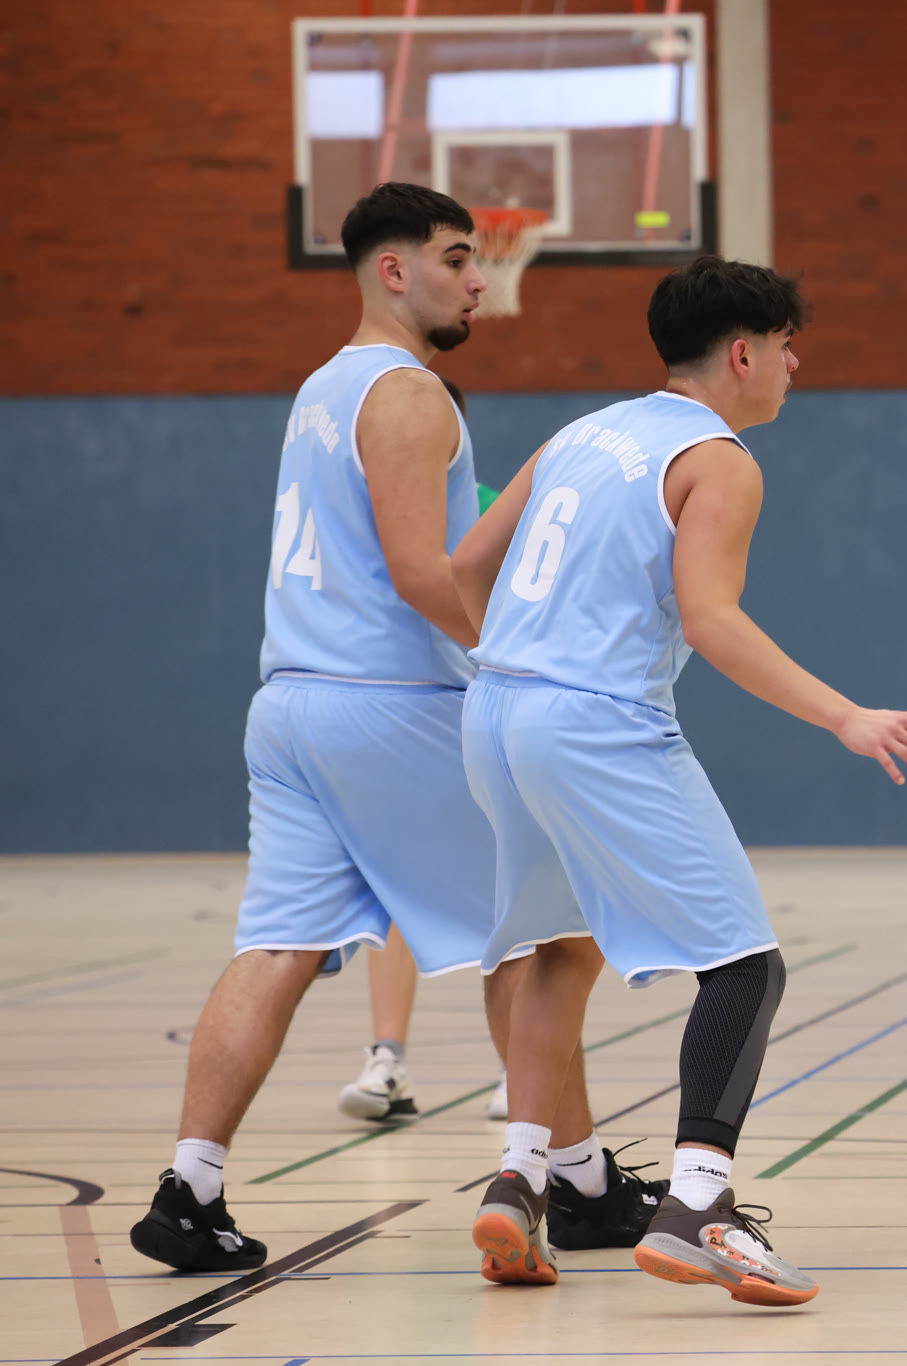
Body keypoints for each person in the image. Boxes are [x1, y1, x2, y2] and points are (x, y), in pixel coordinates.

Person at [129, 184, 641, 1274]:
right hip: (389, 704)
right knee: (546, 940)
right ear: (394, 270)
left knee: (277, 946)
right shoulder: (410, 396)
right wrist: (529, 664)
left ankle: (190, 1188)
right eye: (457, 258)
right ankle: (574, 1182)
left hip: (289, 707)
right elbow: (418, 574)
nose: (478, 280)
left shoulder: (321, 387)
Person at [450, 255, 907, 1303]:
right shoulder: (717, 459)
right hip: (594, 721)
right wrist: (846, 715)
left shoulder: (583, 431)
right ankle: (697, 1206)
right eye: (786, 346)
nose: (794, 364)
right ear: (742, 353)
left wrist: (521, 662)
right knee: (743, 968)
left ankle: (520, 1178)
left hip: (494, 711)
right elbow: (712, 620)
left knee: (562, 949)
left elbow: (465, 565)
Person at [337, 376, 511, 1127]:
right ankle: (386, 1060)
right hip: (399, 724)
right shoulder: (362, 512)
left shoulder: (495, 509)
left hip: (483, 717)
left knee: (514, 893)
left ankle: (523, 1072)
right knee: (394, 887)